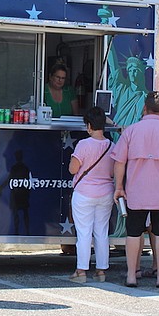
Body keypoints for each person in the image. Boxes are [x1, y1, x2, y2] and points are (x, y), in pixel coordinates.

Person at [112, 91, 159, 288]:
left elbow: (119, 162)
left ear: (144, 108)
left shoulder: (131, 131)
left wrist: (119, 187)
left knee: (133, 234)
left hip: (136, 191)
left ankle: (131, 275)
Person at [67, 106, 115, 283]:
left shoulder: (83, 145)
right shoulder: (112, 146)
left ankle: (81, 271)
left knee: (84, 233)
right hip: (106, 193)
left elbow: (73, 169)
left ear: (88, 126)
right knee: (102, 232)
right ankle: (101, 271)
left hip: (84, 194)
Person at [108, 50, 148, 127]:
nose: (132, 73)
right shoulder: (121, 89)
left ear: (140, 73)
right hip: (119, 133)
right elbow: (114, 67)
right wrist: (108, 42)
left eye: (135, 70)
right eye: (130, 70)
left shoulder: (145, 96)